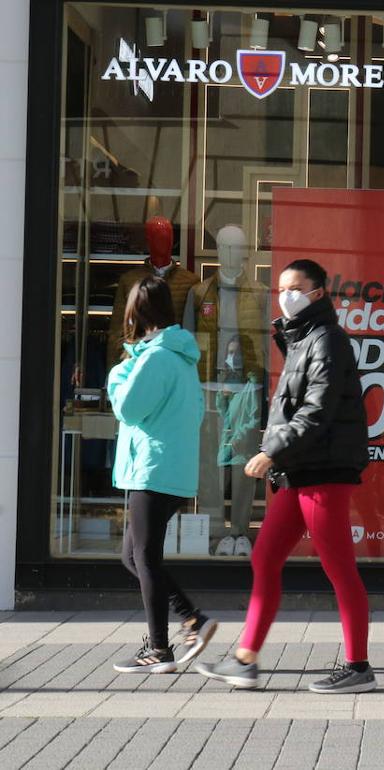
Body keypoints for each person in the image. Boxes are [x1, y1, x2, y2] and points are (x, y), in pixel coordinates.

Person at [196, 258, 373, 694]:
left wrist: (270, 452)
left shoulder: (327, 341)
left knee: (339, 569)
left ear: (317, 293)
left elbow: (318, 410)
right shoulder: (301, 339)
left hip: (324, 471)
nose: (286, 296)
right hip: (301, 471)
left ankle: (358, 667)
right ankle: (245, 658)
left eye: (295, 288)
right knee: (265, 558)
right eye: (281, 288)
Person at [108, 276, 216, 673]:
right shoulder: (180, 356)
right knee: (133, 556)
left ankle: (161, 647)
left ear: (136, 312)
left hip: (153, 468)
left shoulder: (155, 359)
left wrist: (117, 376)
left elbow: (129, 409)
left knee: (145, 558)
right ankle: (190, 621)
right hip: (168, 468)